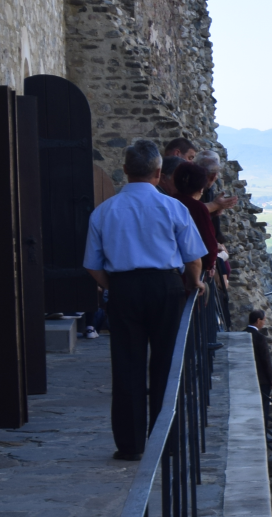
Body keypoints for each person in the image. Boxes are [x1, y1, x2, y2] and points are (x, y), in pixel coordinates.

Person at [83, 138, 207, 460]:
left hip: (124, 289)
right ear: (157, 172)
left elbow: (92, 265)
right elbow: (194, 258)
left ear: (125, 170)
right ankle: (165, 441)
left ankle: (130, 445)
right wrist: (194, 282)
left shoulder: (103, 212)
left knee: (127, 367)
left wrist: (118, 285)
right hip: (166, 288)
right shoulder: (173, 207)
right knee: (168, 364)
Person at [246, 308, 272, 396]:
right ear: (258, 320)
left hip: (247, 378)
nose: (264, 323)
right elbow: (265, 359)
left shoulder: (242, 334)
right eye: (264, 320)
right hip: (262, 379)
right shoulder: (260, 337)